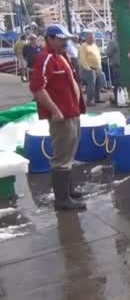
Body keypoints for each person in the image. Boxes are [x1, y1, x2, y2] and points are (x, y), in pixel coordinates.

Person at [29, 24, 86, 210]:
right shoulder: (45, 59)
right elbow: (37, 88)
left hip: (73, 112)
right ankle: (62, 199)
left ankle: (69, 191)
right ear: (50, 39)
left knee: (69, 152)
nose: (65, 42)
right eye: (61, 39)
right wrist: (54, 110)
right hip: (62, 116)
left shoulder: (62, 57)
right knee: (61, 156)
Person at [78, 32, 105, 106]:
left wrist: (100, 67)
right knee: (91, 85)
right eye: (90, 37)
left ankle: (97, 98)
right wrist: (88, 68)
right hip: (89, 68)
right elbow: (82, 59)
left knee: (99, 83)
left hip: (97, 68)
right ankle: (90, 101)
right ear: (86, 38)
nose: (92, 39)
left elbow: (98, 56)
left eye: (93, 37)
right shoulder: (83, 46)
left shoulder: (94, 46)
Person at [105, 38, 121, 103]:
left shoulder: (113, 42)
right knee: (118, 82)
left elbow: (108, 53)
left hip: (119, 65)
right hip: (118, 65)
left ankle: (119, 98)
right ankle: (118, 98)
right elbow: (108, 53)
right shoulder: (113, 42)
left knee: (117, 82)